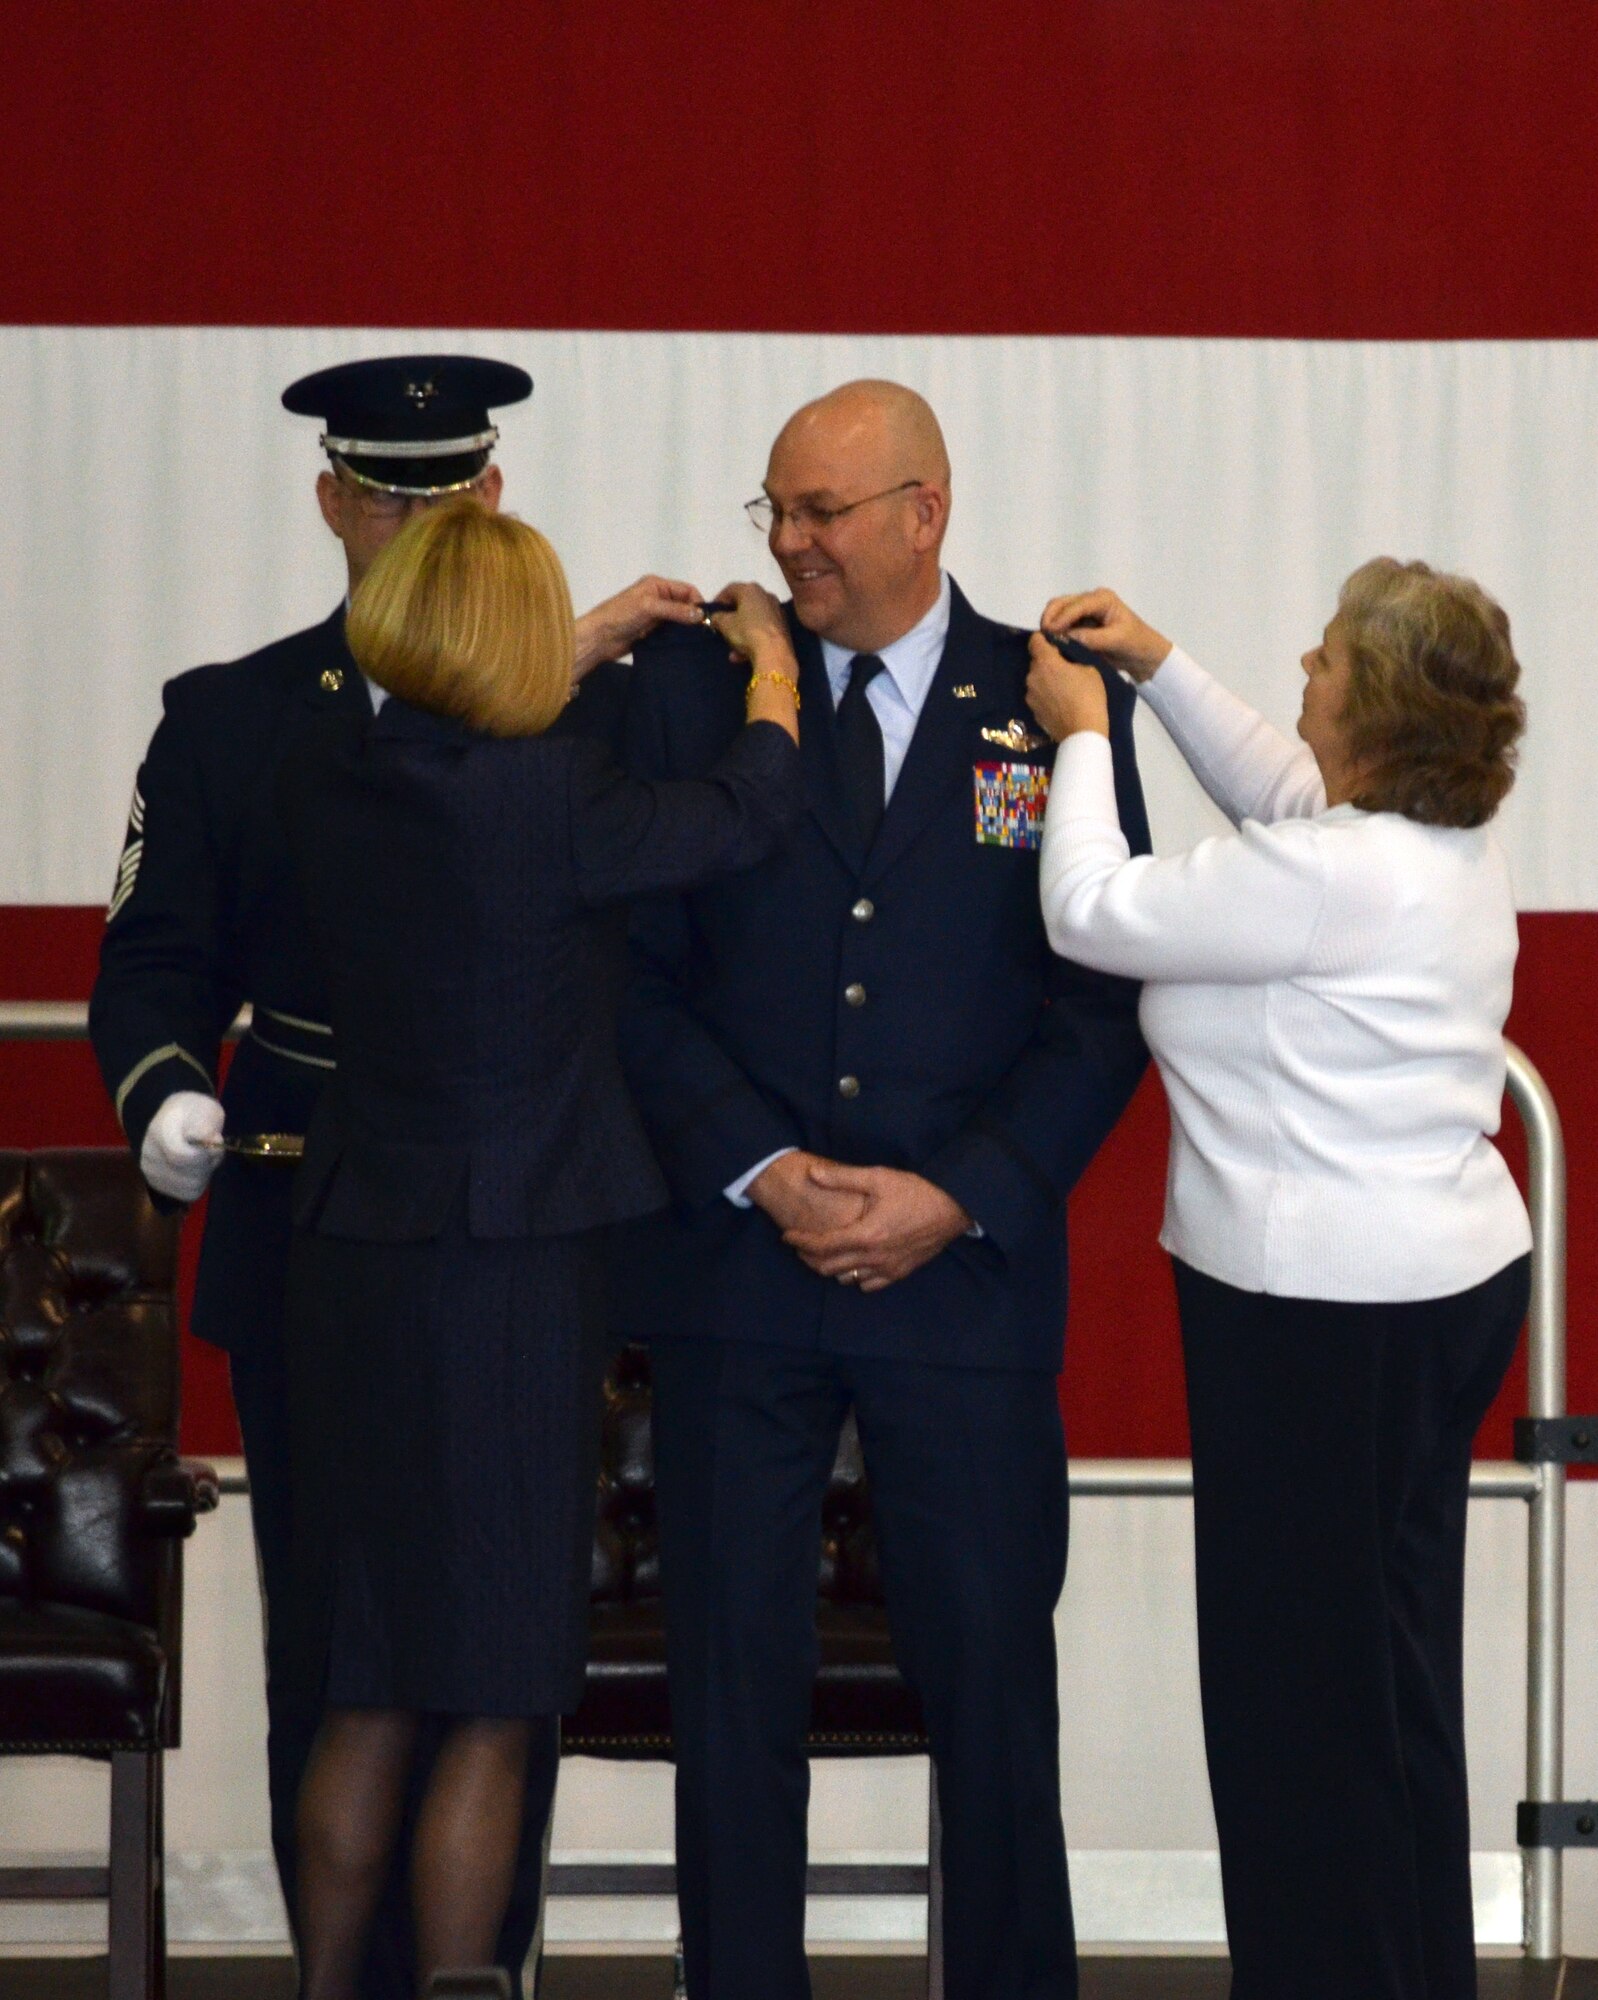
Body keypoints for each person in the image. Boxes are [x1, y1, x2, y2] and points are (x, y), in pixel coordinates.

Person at [87, 352, 714, 1996]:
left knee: (503, 1656)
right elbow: (152, 962)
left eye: (446, 497)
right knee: (342, 1651)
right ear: (329, 504)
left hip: (515, 1224)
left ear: (492, 500)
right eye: (383, 495)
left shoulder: (603, 706)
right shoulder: (232, 718)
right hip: (310, 1217)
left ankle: (475, 1968)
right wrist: (161, 1090)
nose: (416, 524)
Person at [618, 379, 1150, 2000]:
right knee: (730, 1698)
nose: (788, 545)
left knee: (994, 1698)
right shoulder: (693, 699)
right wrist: (762, 1168)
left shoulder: (1051, 700)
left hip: (963, 1284)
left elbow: (1102, 994)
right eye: (772, 512)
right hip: (734, 1273)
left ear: (924, 513)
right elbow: (631, 980)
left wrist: (958, 1192)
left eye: (821, 514)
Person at [275, 497, 801, 1999]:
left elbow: (454, 710)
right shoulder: (556, 798)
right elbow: (748, 809)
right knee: (499, 1691)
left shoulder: (334, 778)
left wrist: (588, 637)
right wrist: (763, 668)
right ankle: (458, 1987)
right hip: (509, 1277)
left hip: (361, 1259)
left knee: (370, 1682)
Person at [1026, 561, 1532, 2000]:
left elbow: (1088, 911)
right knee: (1381, 1685)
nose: (1300, 669)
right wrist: (1159, 667)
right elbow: (1284, 794)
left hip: (1317, 1321)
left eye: (1322, 658)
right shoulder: (1430, 843)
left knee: (1291, 1709)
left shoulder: (1321, 880)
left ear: (1369, 709)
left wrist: (1078, 734)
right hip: (1430, 1294)